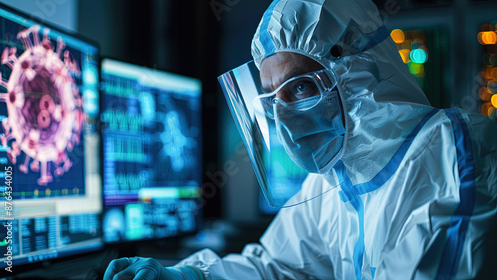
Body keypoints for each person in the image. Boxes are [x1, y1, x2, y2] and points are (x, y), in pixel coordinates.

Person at [103, 0, 497, 279]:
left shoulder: (452, 156)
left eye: (299, 88)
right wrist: (187, 276)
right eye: (271, 98)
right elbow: (277, 266)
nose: (283, 117)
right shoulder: (333, 180)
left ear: (357, 73)